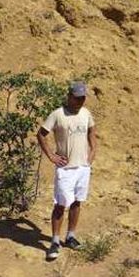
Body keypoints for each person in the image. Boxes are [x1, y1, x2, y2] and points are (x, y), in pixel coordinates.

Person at [36, 81, 97, 261]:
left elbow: (91, 132)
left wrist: (93, 151)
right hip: (66, 169)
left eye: (83, 98)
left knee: (77, 202)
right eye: (77, 98)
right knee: (60, 204)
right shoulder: (57, 114)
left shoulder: (86, 113)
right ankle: (55, 241)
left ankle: (70, 236)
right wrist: (51, 156)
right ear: (69, 97)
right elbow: (41, 134)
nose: (80, 101)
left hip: (83, 167)